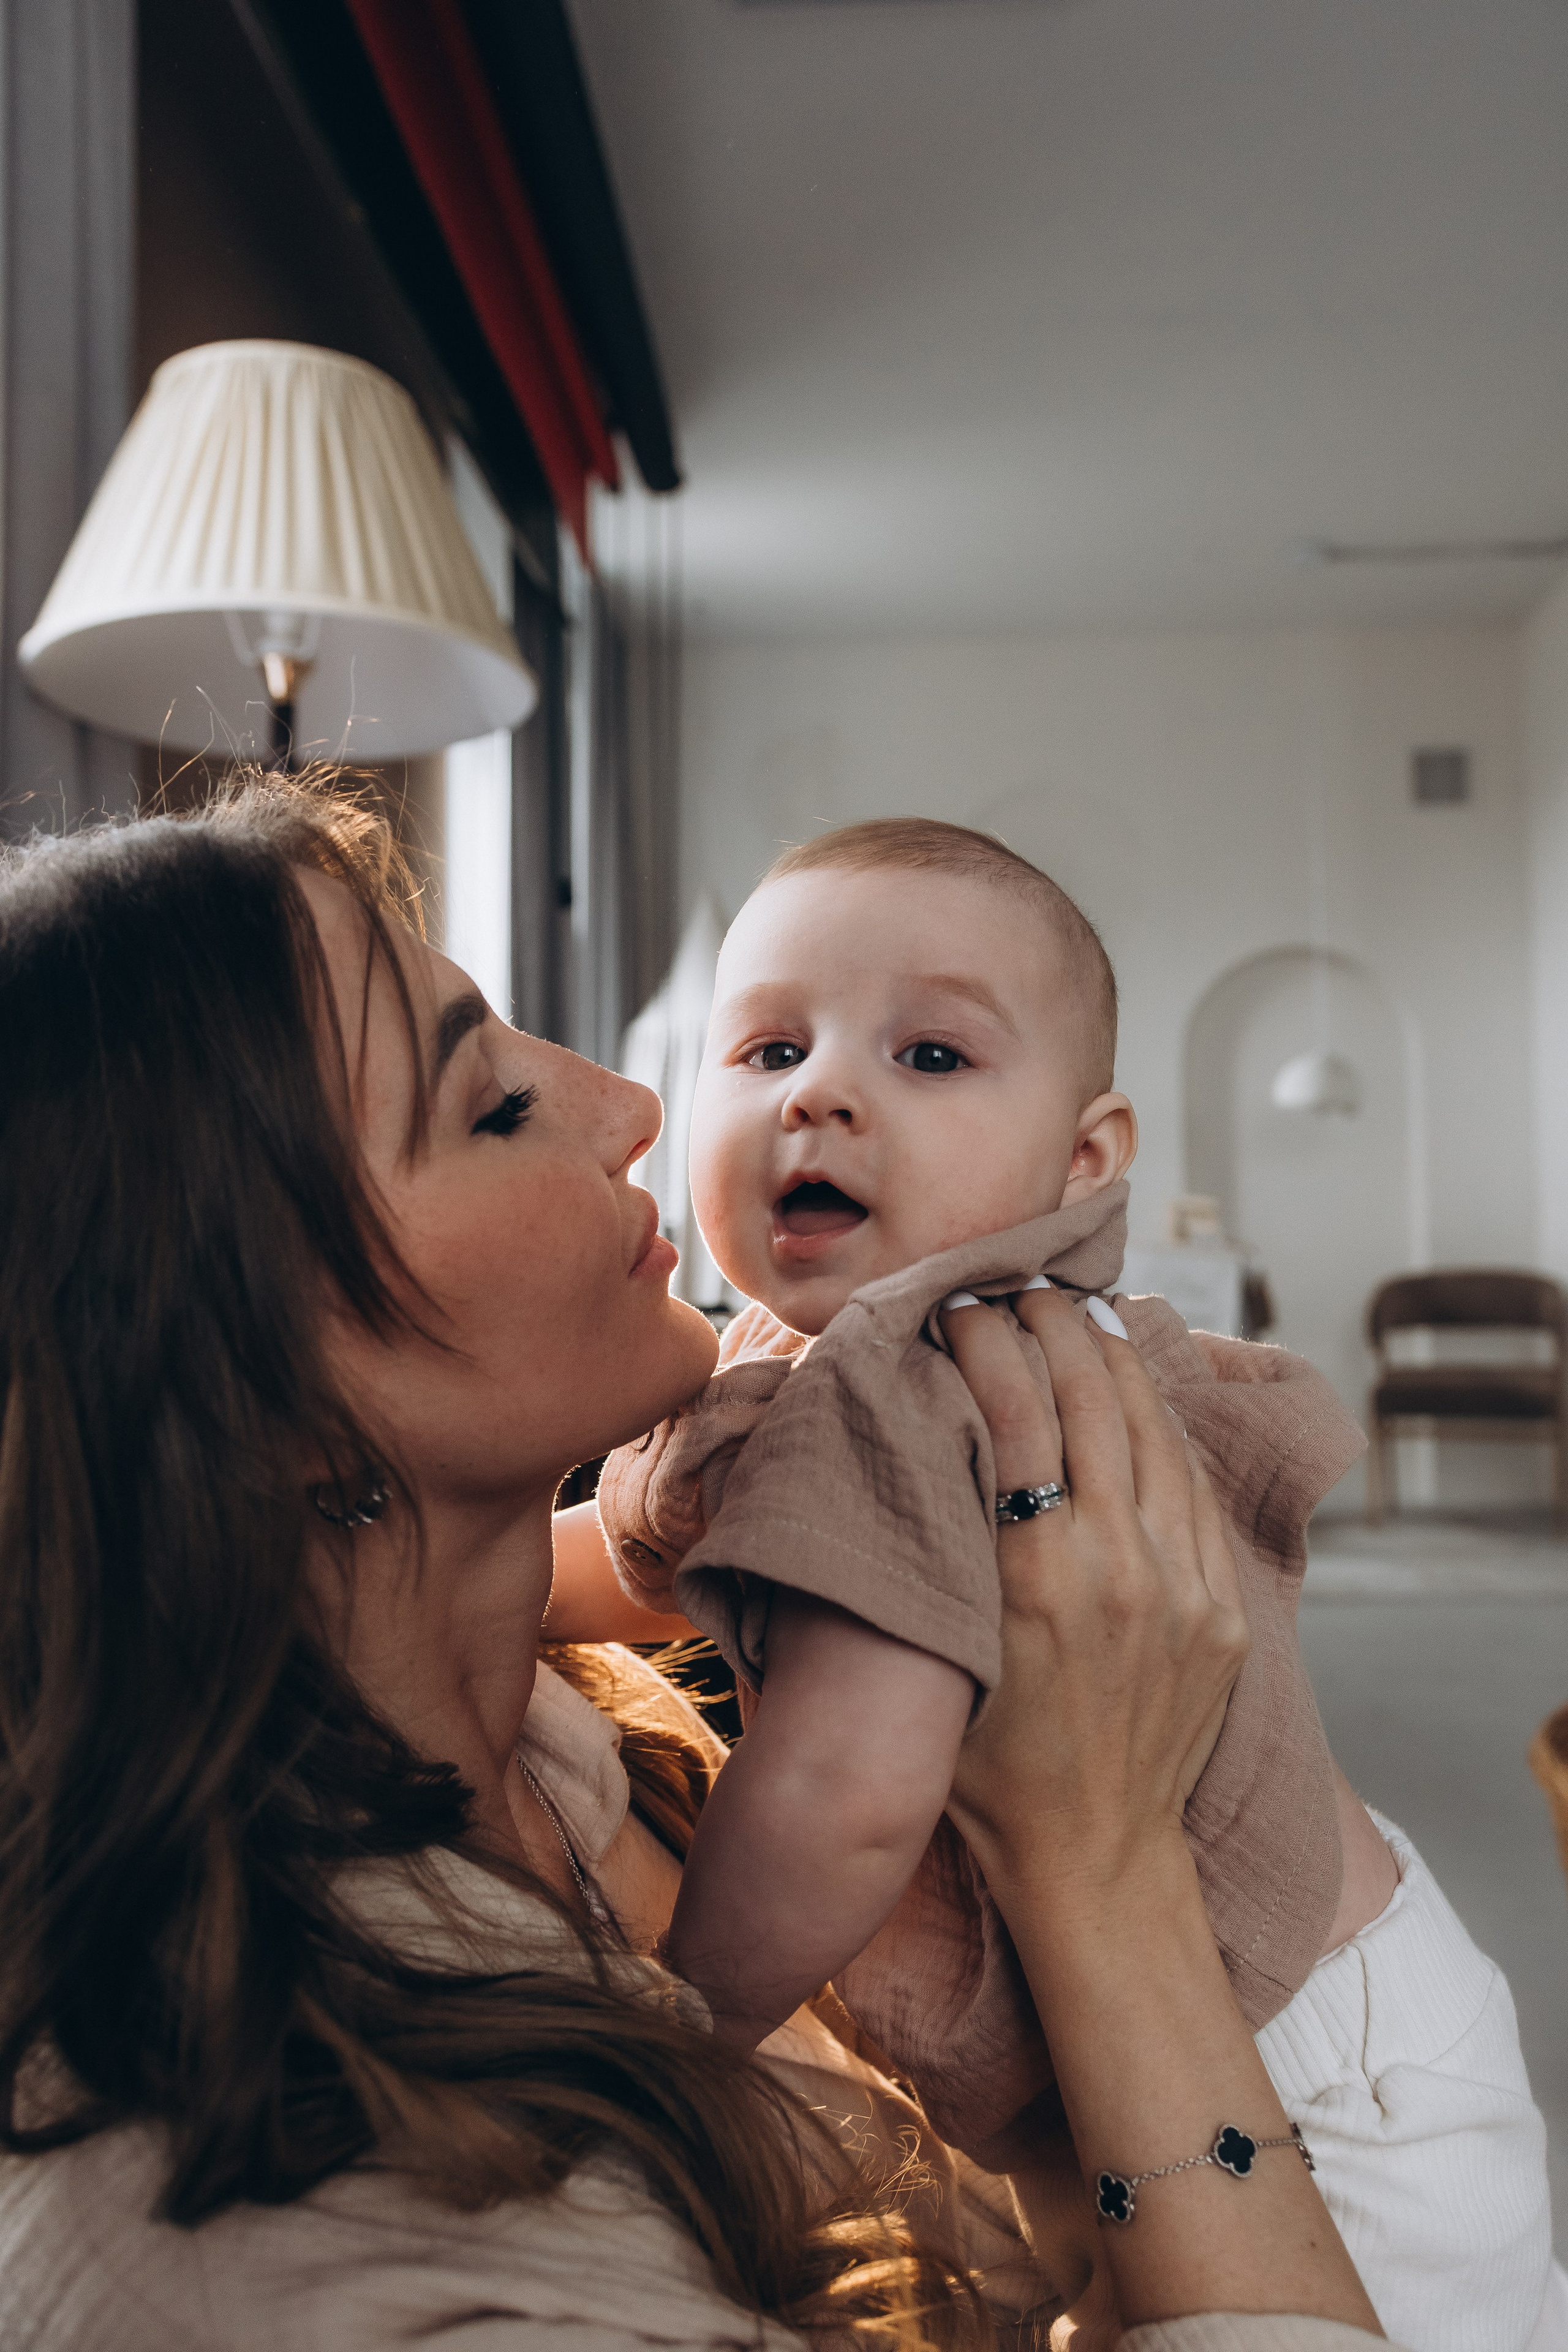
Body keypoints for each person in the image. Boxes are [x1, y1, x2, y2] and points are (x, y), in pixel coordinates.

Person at [0, 770, 1389, 2349]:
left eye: (927, 1054)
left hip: (1351, 2043)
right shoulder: (375, 2266)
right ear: (248, 1377)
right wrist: (1102, 1866)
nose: (636, 1107)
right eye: (493, 1105)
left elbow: (648, 1577)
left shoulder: (536, 1743)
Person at [575, 818, 1558, 2352]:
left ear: (1083, 1159)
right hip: (1257, 2026)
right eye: (766, 1047)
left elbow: (848, 1782)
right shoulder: (798, 1366)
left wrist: (671, 2034)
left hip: (1318, 2069)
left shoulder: (926, 1385)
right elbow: (655, 1560)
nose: (818, 1091)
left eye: (930, 1056)